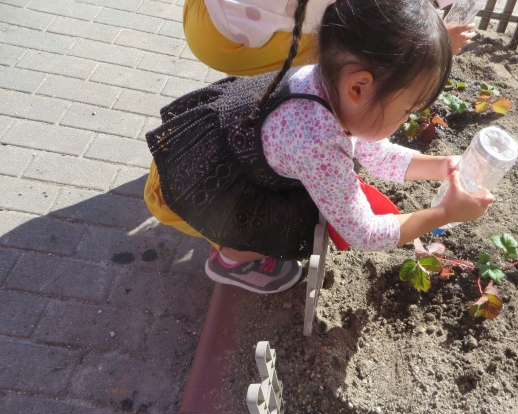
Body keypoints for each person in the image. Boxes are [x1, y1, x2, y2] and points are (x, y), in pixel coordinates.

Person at [144, 0, 494, 294]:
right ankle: (232, 261)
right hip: (195, 188)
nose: (407, 120)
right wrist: (444, 214)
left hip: (211, 152)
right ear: (359, 87)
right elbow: (364, 232)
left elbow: (374, 152)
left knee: (318, 197)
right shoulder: (318, 141)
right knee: (298, 218)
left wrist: (443, 166)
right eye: (407, 111)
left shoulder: (328, 79)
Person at [183, 0, 477, 76]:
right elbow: (385, 40)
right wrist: (438, 44)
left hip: (206, 11)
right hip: (226, 40)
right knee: (339, 57)